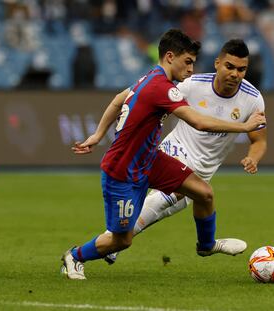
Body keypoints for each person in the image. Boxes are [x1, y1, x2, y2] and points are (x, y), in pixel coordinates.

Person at [60, 29, 266, 280]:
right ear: (170, 57)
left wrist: (97, 134)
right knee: (122, 240)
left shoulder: (151, 78)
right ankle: (75, 255)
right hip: (125, 170)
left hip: (151, 160)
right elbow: (199, 123)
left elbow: (117, 99)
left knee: (204, 193)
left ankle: (206, 245)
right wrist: (244, 127)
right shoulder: (165, 88)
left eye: (241, 69)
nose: (191, 69)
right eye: (187, 62)